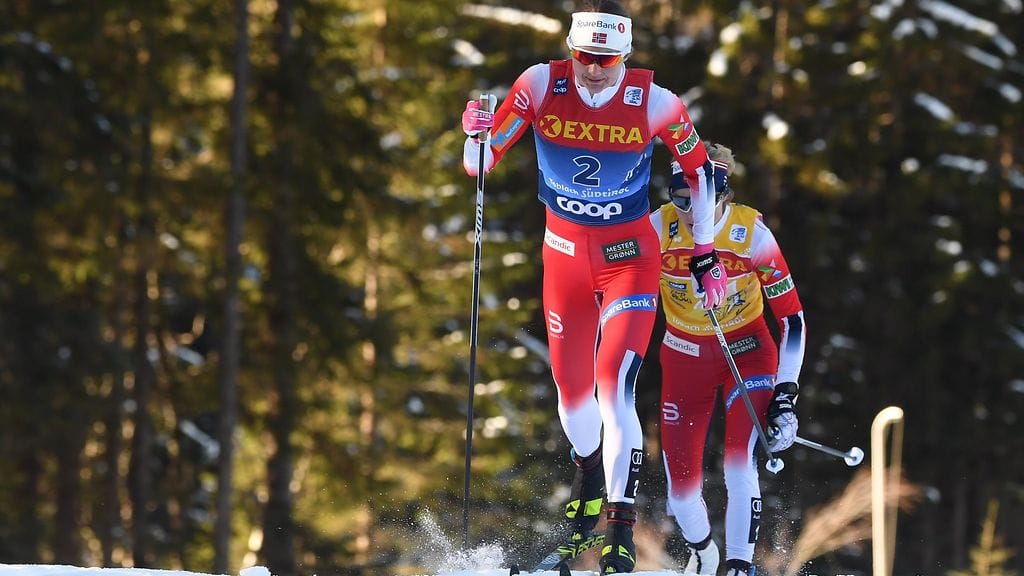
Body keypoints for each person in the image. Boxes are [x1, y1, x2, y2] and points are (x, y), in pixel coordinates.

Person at [460, 1, 728, 573]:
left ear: (625, 57)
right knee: (572, 392)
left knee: (614, 388)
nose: (594, 70)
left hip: (628, 259)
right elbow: (482, 160)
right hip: (562, 258)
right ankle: (587, 475)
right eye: (584, 56)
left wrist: (704, 253)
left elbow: (699, 174)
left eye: (606, 59)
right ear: (571, 51)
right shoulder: (539, 84)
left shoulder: (656, 103)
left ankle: (621, 527)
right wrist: (473, 137)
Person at [650, 143, 806, 576]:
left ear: (722, 195)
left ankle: (740, 566)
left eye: (698, 200)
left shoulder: (750, 234)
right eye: (678, 200)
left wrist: (786, 396)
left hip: (747, 351)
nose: (688, 211)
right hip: (684, 358)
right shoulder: (657, 229)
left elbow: (792, 320)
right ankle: (704, 551)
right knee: (680, 495)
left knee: (739, 464)